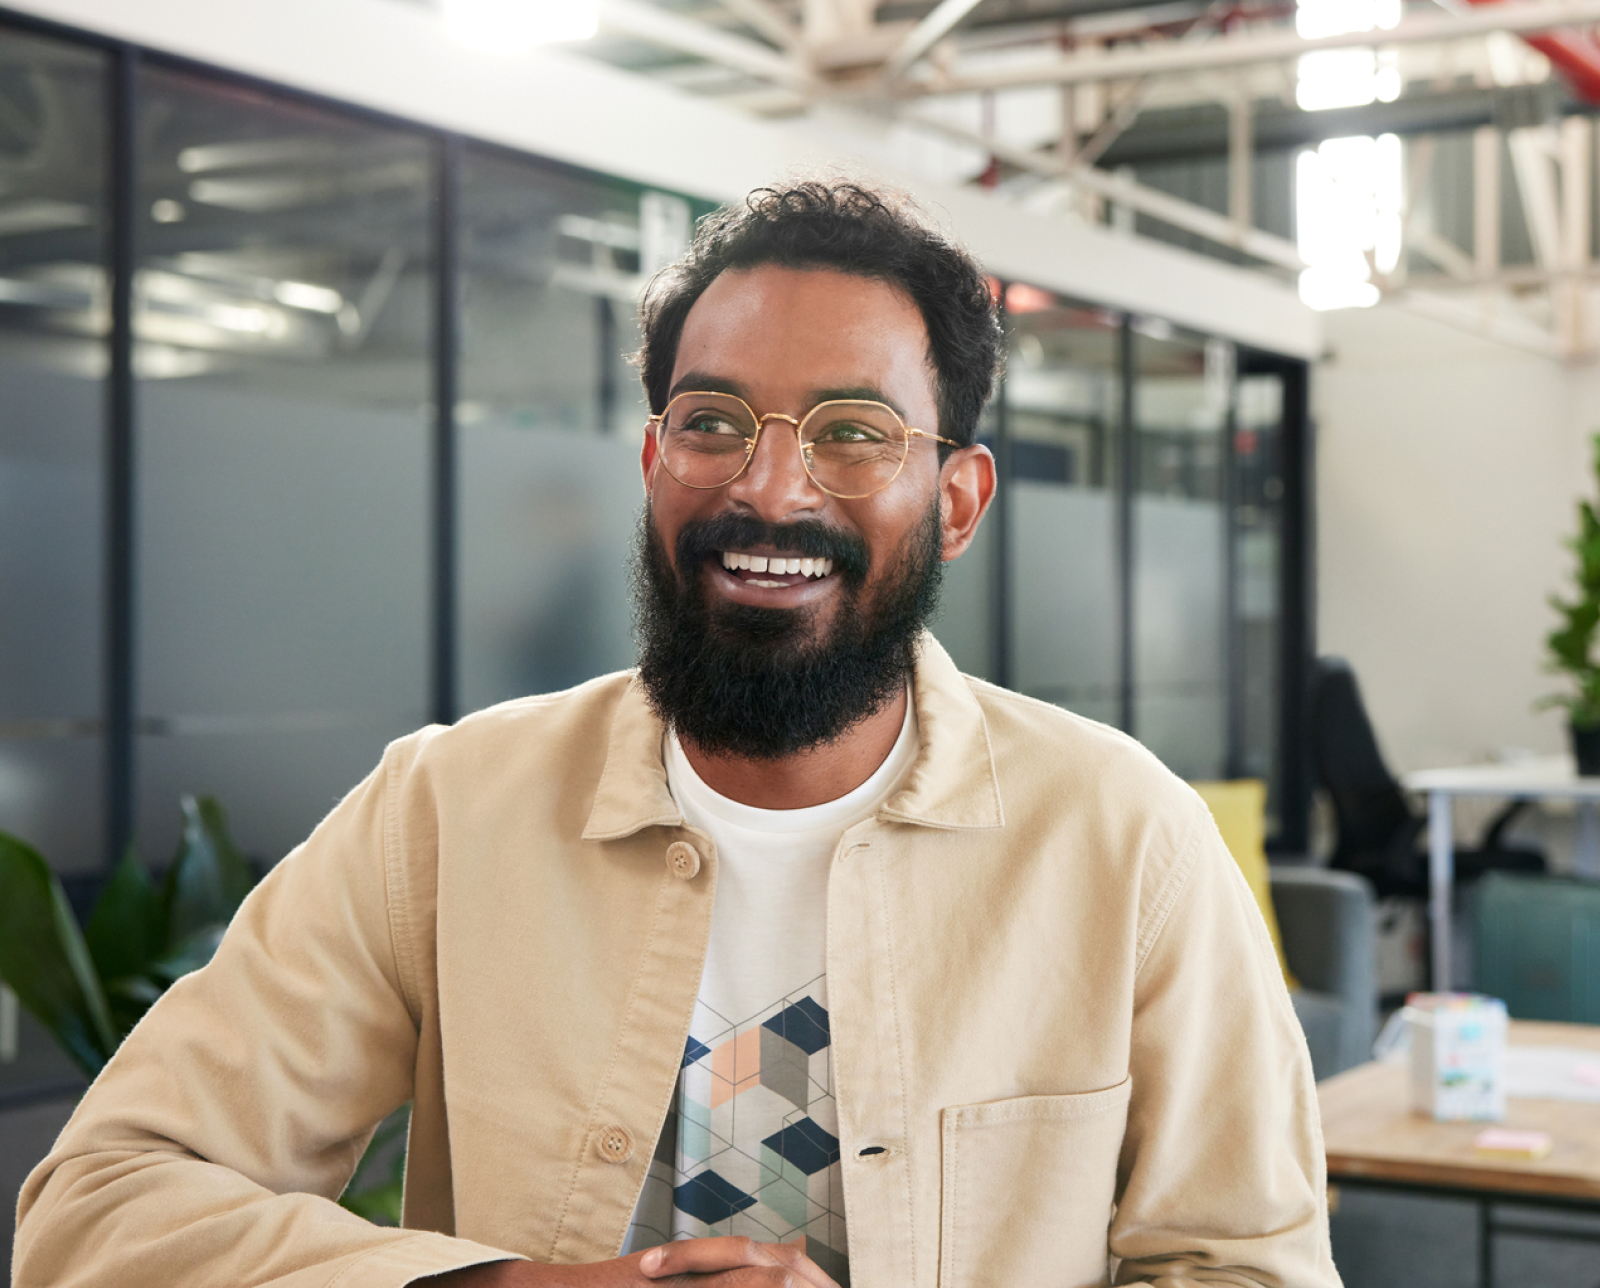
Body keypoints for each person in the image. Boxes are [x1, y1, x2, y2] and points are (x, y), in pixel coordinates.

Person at [14, 180, 1340, 1288]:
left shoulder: (1122, 843)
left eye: (852, 433)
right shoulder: (448, 811)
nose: (770, 487)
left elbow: (1250, 1265)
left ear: (959, 499)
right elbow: (101, 1203)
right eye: (713, 422)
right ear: (654, 463)